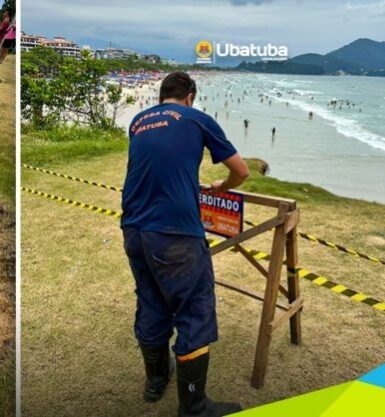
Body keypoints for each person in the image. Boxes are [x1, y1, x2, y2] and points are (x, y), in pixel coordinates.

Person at [121, 72, 247, 417]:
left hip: (134, 228)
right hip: (176, 233)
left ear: (161, 96)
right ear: (190, 95)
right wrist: (221, 187)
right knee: (194, 312)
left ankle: (155, 381)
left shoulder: (138, 121)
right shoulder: (197, 118)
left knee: (151, 301)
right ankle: (194, 406)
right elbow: (242, 171)